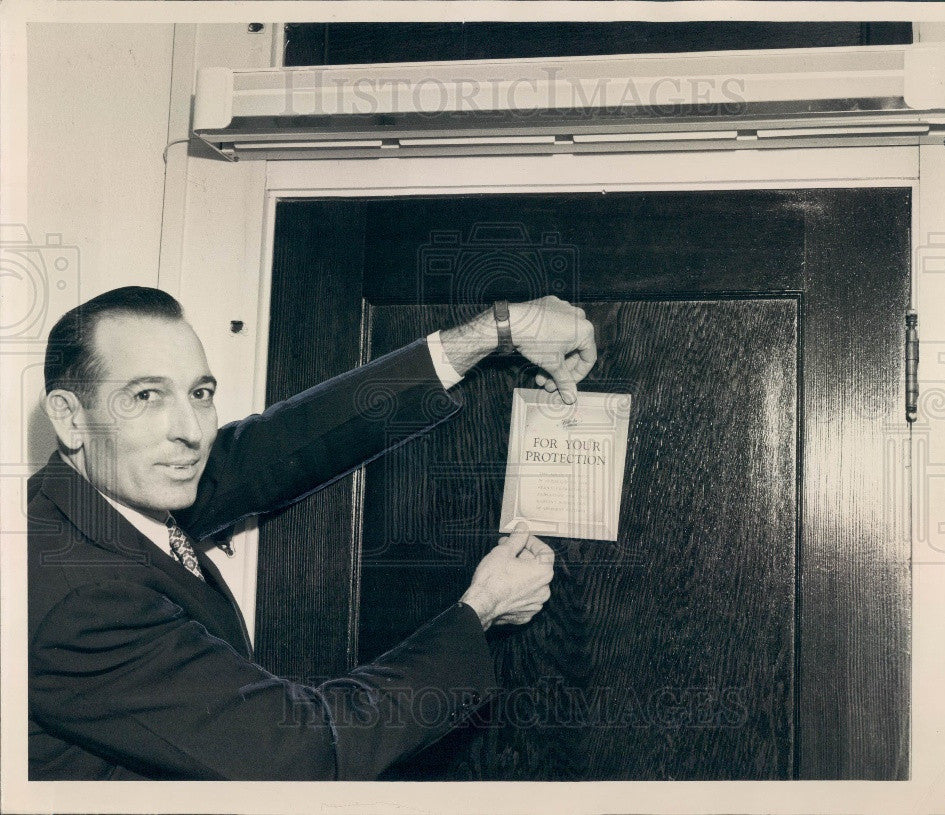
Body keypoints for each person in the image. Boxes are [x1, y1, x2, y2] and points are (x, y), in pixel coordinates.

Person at [27, 286, 597, 780]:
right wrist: (481, 610)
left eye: (200, 393)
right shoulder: (81, 600)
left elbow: (278, 447)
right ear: (70, 416)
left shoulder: (92, 494)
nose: (191, 432)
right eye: (146, 396)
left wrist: (494, 333)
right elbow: (305, 754)